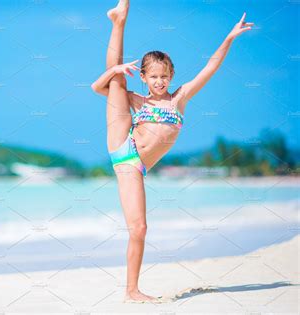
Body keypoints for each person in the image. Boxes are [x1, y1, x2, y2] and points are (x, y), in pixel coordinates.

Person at [91, 0, 253, 304]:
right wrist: (114, 69)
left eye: (164, 75)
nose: (159, 81)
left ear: (172, 74)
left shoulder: (178, 99)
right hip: (125, 151)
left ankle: (118, 20)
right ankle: (119, 19)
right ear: (144, 77)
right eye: (153, 76)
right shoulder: (139, 100)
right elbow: (96, 88)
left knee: (139, 227)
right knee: (116, 81)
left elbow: (210, 67)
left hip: (137, 164)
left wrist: (229, 37)